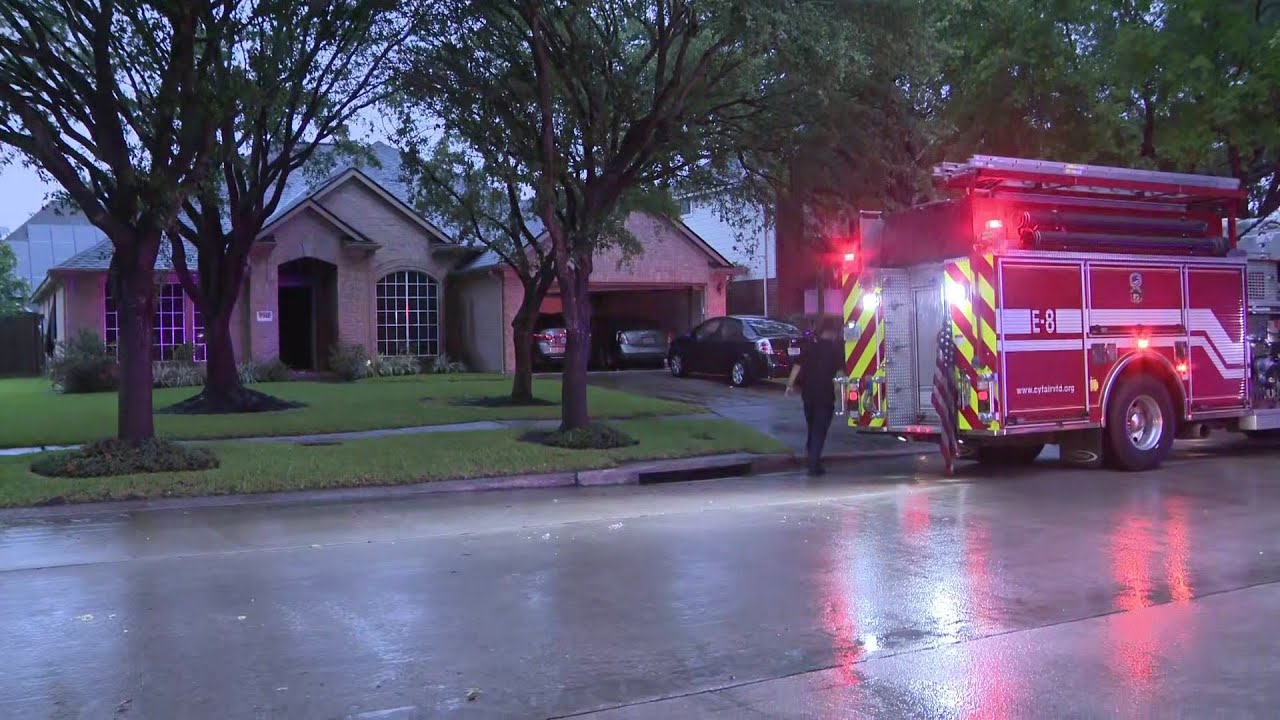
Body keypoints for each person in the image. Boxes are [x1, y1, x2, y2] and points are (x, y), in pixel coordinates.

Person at [785, 318, 843, 476]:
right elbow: (839, 374)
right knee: (819, 430)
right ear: (831, 332)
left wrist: (789, 385)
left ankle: (811, 458)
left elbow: (797, 366)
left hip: (808, 396)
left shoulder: (809, 347)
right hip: (825, 397)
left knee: (812, 428)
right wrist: (840, 392)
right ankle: (813, 464)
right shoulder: (835, 350)